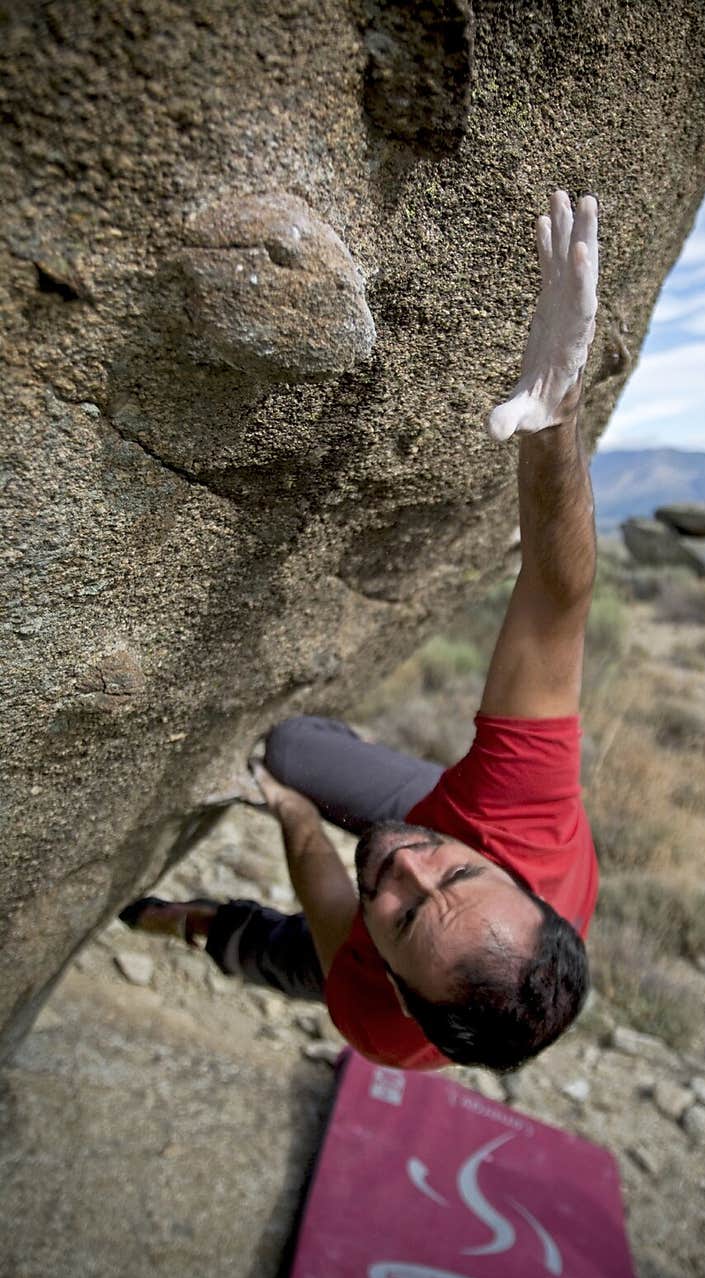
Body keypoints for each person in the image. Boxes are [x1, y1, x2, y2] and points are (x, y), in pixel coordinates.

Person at [122, 189, 601, 1074]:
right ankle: (297, 836)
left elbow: (339, 901)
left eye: (410, 916)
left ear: (403, 987)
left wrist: (298, 823)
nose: (410, 867)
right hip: (470, 823)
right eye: (458, 876)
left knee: (280, 948)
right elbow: (553, 598)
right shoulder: (520, 824)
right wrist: (556, 422)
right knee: (294, 746)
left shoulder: (378, 1021)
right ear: (513, 879)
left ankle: (183, 923)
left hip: (352, 958)